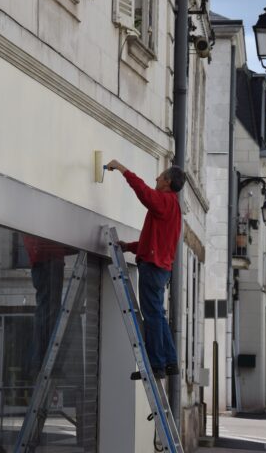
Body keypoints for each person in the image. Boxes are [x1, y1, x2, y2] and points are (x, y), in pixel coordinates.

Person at [105, 160, 185, 379]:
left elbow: (144, 193)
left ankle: (156, 364)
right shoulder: (173, 206)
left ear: (168, 182)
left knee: (152, 316)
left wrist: (123, 169)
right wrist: (129, 247)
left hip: (153, 268)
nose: (156, 179)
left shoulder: (164, 201)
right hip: (160, 267)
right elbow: (153, 242)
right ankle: (169, 362)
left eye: (159, 177)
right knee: (158, 315)